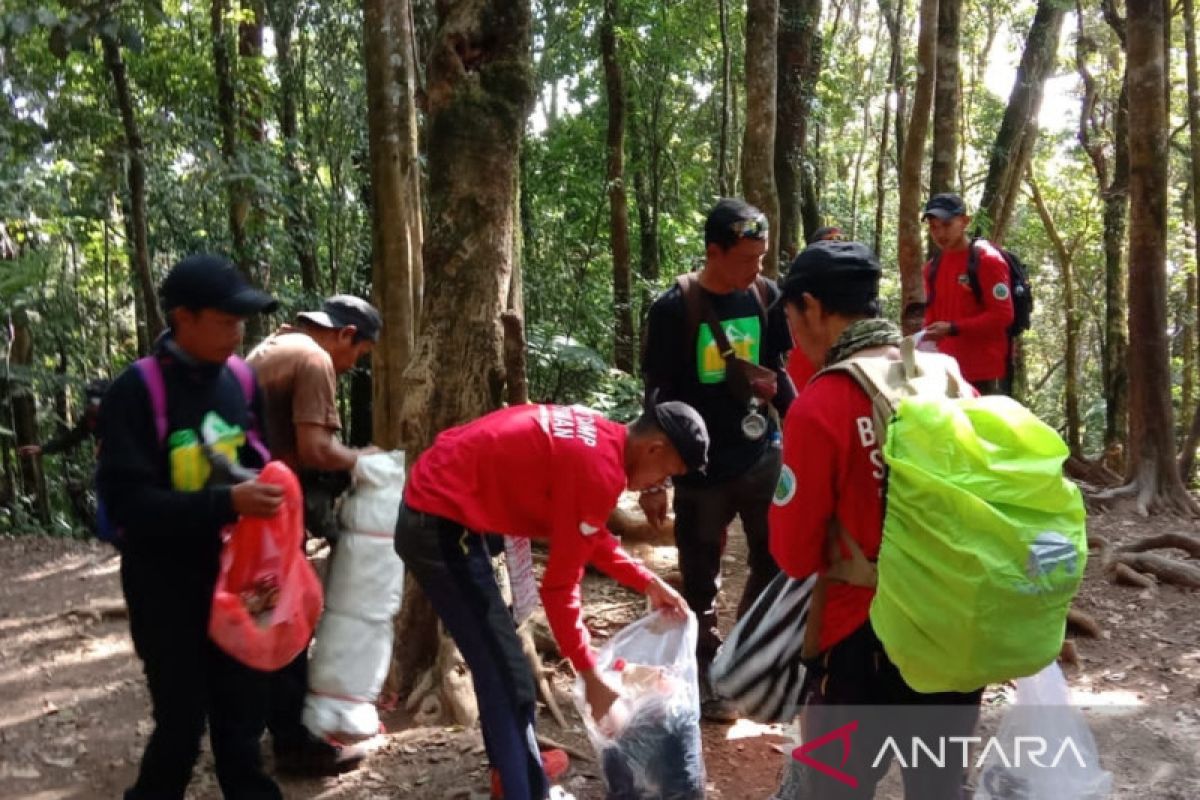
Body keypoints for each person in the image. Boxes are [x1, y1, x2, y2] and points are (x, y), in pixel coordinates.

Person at [394, 402, 702, 800]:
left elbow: (588, 536)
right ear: (655, 448)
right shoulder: (598, 472)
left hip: (447, 507)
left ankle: (515, 774)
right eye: (668, 474)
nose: (659, 483)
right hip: (440, 524)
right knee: (507, 678)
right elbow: (558, 589)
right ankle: (524, 786)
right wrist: (591, 678)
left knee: (502, 669)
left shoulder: (603, 437)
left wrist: (647, 582)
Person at [769, 240, 982, 799]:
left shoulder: (823, 403)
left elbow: (793, 554)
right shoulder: (949, 381)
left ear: (812, 307)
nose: (795, 335)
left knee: (836, 789)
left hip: (859, 643)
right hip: (955, 631)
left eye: (792, 319)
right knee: (939, 789)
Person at [97, 254, 283, 800]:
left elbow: (260, 459)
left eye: (240, 321)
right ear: (183, 317)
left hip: (240, 577)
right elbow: (129, 504)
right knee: (180, 724)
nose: (238, 332)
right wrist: (230, 501)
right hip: (165, 583)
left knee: (243, 720)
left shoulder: (243, 381)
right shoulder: (136, 391)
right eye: (225, 321)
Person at [640, 197, 795, 721]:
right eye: (747, 258)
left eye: (762, 257)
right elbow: (656, 396)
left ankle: (748, 657)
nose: (757, 269)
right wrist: (653, 482)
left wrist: (798, 420)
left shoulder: (764, 295)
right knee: (699, 574)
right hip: (701, 471)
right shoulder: (673, 309)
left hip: (760, 455)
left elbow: (776, 367)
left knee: (774, 560)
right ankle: (707, 671)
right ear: (713, 251)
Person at [245, 294, 382, 775]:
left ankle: (268, 727)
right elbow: (316, 448)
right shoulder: (313, 357)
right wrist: (369, 461)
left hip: (246, 504)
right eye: (359, 355)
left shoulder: (271, 346)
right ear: (346, 335)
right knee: (291, 615)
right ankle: (294, 743)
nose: (351, 365)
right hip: (267, 509)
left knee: (269, 611)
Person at [920, 193, 1014, 395]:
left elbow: (1003, 315)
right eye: (933, 226)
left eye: (946, 224)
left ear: (964, 221)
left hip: (985, 374)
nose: (939, 233)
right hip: (946, 373)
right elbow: (931, 315)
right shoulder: (931, 268)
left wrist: (954, 328)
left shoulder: (987, 260)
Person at [20, 379, 110, 528]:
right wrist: (42, 449)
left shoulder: (123, 412)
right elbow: (72, 438)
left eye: (97, 400)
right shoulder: (91, 416)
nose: (93, 404)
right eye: (91, 401)